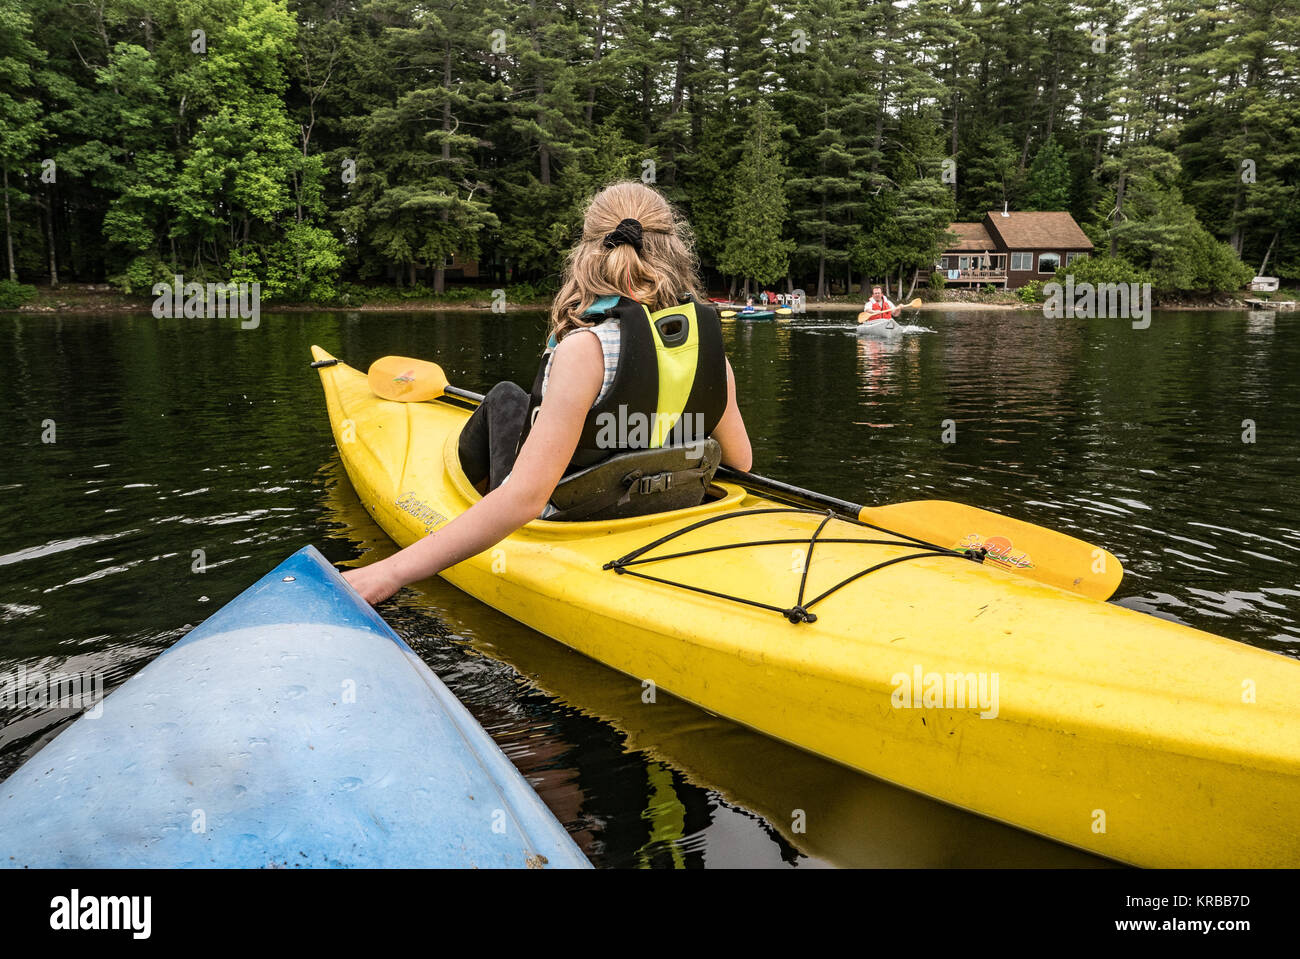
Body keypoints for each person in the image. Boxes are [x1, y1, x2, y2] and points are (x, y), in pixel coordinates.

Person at [343, 180, 753, 604]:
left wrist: (388, 572)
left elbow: (524, 500)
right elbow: (740, 461)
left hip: (571, 515)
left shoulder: (584, 350)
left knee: (504, 397)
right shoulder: (708, 353)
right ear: (672, 250)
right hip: (668, 506)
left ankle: (460, 497)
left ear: (587, 253)